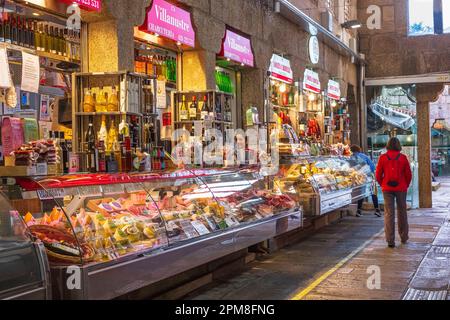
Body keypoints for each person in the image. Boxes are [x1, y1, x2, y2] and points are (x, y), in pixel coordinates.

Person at [375, 137, 412, 248]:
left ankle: (390, 240)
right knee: (402, 212)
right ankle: (404, 237)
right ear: (399, 145)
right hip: (401, 188)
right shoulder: (403, 158)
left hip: (387, 189)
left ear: (388, 145)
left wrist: (383, 184)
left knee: (389, 214)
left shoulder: (382, 158)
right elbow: (408, 174)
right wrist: (405, 185)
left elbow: (378, 175)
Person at [350, 145, 381, 218]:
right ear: (359, 150)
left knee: (361, 193)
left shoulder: (351, 157)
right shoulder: (364, 156)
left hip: (359, 177)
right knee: (373, 192)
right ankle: (377, 210)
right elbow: (372, 166)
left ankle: (359, 210)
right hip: (369, 176)